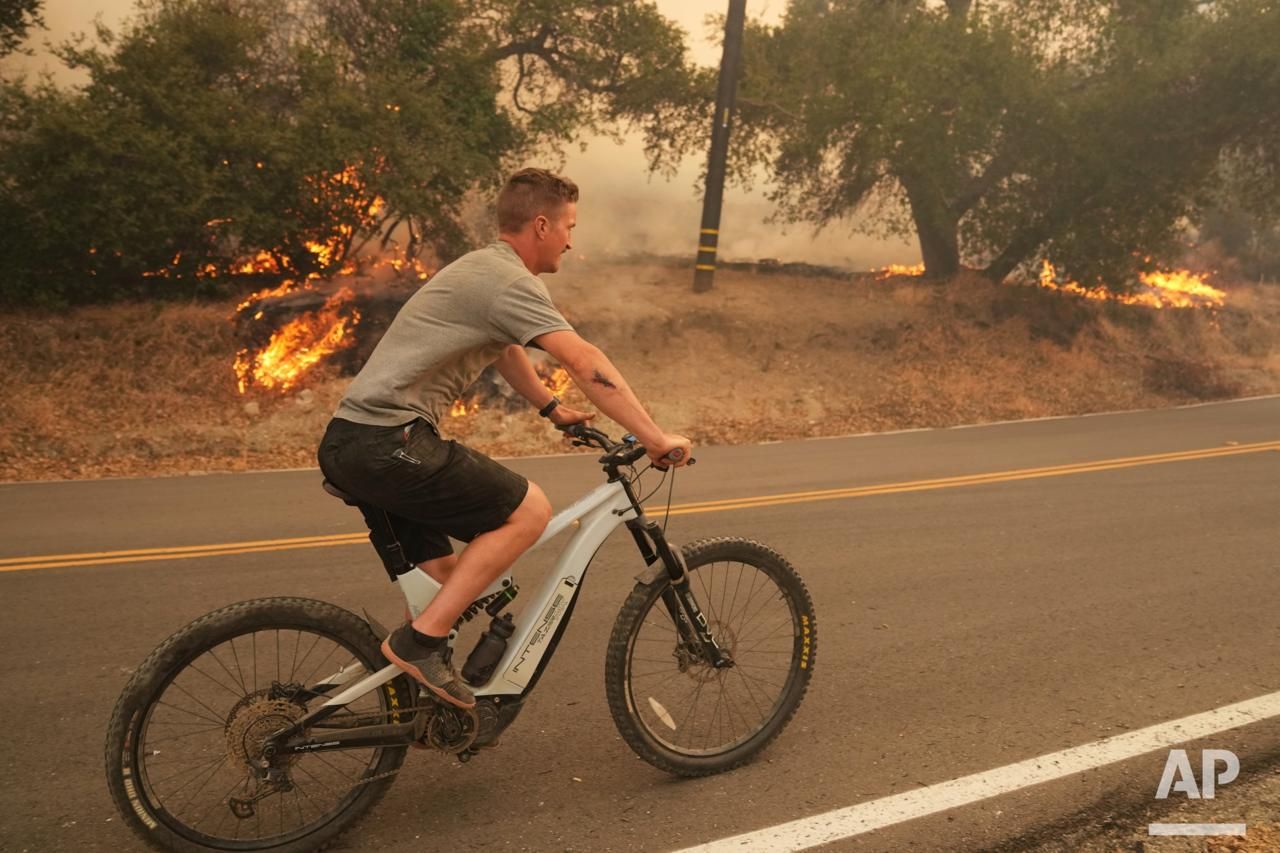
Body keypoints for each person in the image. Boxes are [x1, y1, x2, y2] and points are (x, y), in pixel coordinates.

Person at [317, 168, 693, 710]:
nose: (572, 239)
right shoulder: (510, 281)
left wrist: (551, 407)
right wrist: (654, 437)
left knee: (452, 583)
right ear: (541, 225)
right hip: (387, 440)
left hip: (356, 443)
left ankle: (416, 698)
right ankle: (419, 645)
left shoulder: (484, 271)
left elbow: (506, 346)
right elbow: (586, 362)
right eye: (568, 226)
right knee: (529, 511)